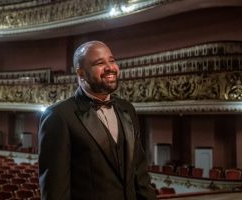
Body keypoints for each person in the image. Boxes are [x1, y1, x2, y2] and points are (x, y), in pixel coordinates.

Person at [38, 41, 156, 200]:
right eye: (100, 63)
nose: (110, 67)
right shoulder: (58, 116)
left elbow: (140, 174)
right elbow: (55, 190)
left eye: (112, 61)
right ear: (81, 73)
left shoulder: (127, 108)